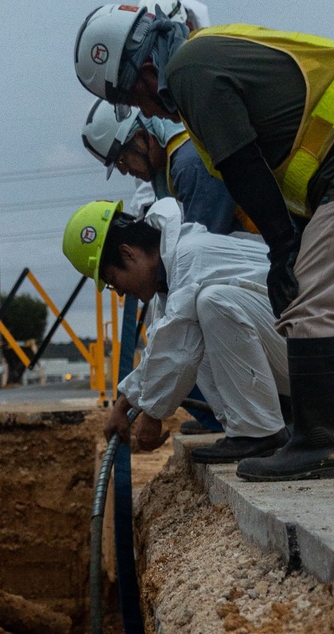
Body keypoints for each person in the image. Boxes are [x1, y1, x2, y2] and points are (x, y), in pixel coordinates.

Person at [73, 5, 334, 481]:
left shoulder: (190, 71)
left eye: (137, 100)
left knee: (313, 307)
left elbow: (243, 165)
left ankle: (319, 444)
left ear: (149, 72)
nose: (148, 113)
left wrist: (284, 247)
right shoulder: (211, 57)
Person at [62, 197, 289, 462]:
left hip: (304, 350)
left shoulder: (189, 256)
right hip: (289, 349)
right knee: (196, 320)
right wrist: (123, 405)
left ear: (128, 253)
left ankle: (258, 433)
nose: (121, 292)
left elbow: (176, 353)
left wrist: (153, 413)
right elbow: (162, 347)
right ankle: (252, 428)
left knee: (212, 302)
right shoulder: (171, 277)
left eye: (113, 281)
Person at [82, 100, 238, 233]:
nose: (124, 172)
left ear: (142, 137)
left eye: (122, 160)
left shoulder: (190, 165)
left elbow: (204, 244)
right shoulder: (173, 161)